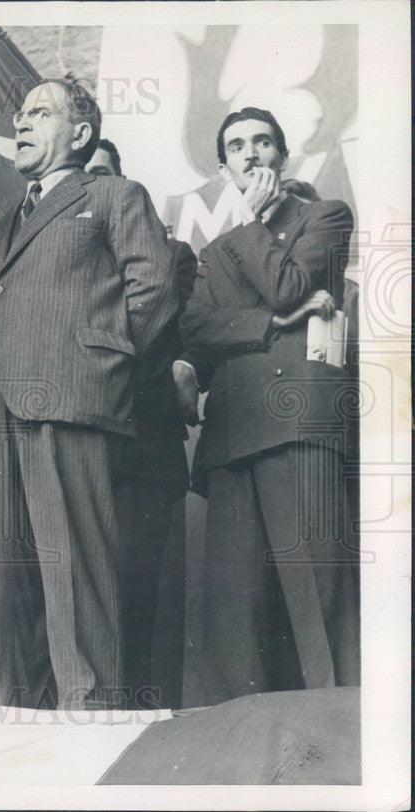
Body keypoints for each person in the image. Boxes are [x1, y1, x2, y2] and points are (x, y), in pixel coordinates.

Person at [0, 79, 177, 710]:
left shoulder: (111, 195)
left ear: (80, 135)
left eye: (39, 112)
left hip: (68, 403)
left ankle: (88, 719)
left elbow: (154, 292)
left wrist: (100, 369)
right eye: (20, 113)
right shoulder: (0, 223)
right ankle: (1, 719)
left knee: (74, 575)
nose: (21, 122)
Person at [179, 107, 360, 704]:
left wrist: (258, 227)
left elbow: (287, 282)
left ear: (282, 157)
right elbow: (198, 332)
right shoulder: (215, 251)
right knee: (234, 610)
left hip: (298, 428)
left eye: (261, 143)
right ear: (224, 164)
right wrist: (274, 321)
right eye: (236, 147)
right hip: (231, 436)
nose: (250, 154)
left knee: (318, 601)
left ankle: (342, 738)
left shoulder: (325, 217)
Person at [85, 138, 197, 708]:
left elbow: (152, 327)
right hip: (79, 443)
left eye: (103, 175)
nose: (92, 187)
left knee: (139, 589)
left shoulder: (169, 255)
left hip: (143, 444)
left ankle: (136, 712)